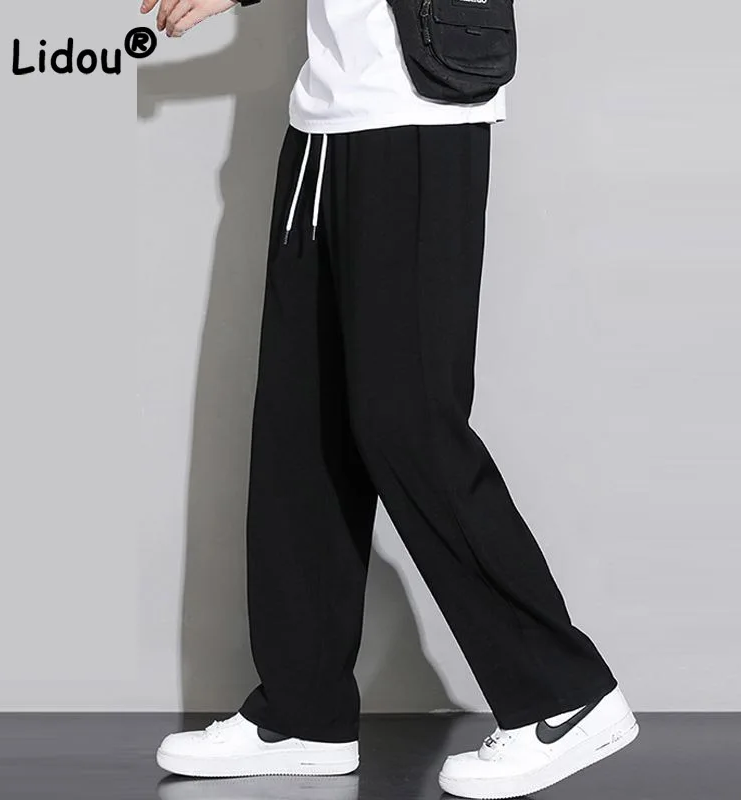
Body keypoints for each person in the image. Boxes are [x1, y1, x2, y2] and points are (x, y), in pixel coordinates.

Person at [146, 0, 640, 796]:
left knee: (407, 422)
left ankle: (563, 695)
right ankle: (303, 710)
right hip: (327, 119)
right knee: (302, 424)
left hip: (416, 116)